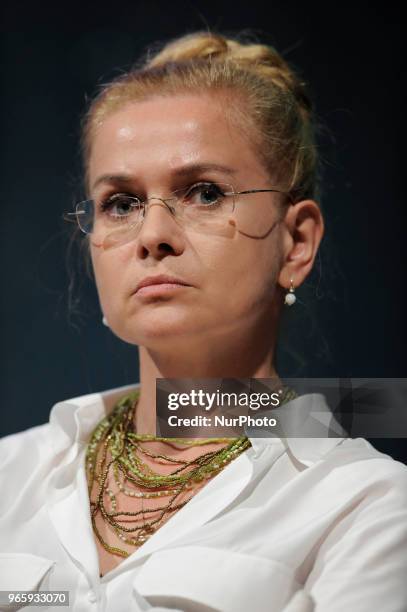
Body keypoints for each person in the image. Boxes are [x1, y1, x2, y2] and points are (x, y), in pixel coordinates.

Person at [0, 30, 406, 612]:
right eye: (121, 203)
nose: (153, 235)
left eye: (205, 193)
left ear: (296, 244)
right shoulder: (10, 476)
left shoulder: (365, 508)